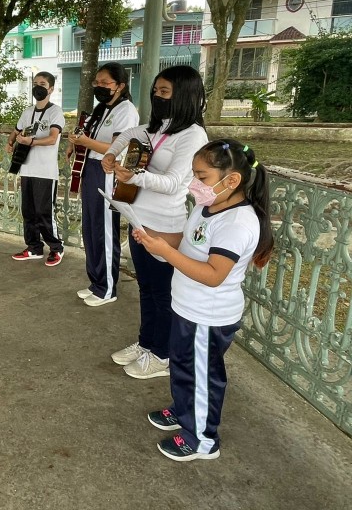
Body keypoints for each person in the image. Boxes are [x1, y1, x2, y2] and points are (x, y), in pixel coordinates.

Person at [134, 139, 273, 461]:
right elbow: (187, 244)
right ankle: (184, 410)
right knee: (183, 367)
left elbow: (213, 274)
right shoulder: (207, 206)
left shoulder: (237, 223)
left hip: (208, 316)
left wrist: (165, 252)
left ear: (232, 180)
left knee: (202, 376)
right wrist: (155, 238)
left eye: (202, 177)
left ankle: (202, 439)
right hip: (187, 307)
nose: (195, 184)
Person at [102, 65, 209, 379]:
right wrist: (111, 154)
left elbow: (176, 183)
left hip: (165, 225)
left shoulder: (193, 135)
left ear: (183, 96)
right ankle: (146, 343)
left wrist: (134, 175)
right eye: (155, 91)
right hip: (139, 220)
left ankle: (162, 356)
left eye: (164, 92)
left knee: (163, 294)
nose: (157, 97)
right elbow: (132, 134)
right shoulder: (159, 127)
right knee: (146, 289)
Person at [67, 63, 139, 303]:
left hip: (108, 172)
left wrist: (85, 142)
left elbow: (116, 148)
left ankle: (107, 288)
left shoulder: (126, 111)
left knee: (105, 230)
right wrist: (76, 141)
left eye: (105, 83)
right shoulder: (101, 109)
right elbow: (88, 138)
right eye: (96, 82)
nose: (99, 87)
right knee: (90, 228)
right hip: (91, 169)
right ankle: (96, 281)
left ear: (120, 86)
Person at [6, 71, 66, 266]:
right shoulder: (27, 112)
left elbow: (52, 138)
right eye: (35, 83)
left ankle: (56, 248)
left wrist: (31, 141)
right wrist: (10, 143)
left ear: (51, 89)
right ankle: (34, 247)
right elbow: (15, 131)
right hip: (27, 169)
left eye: (42, 83)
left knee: (44, 211)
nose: (38, 86)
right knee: (28, 211)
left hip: (45, 171)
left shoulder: (55, 111)